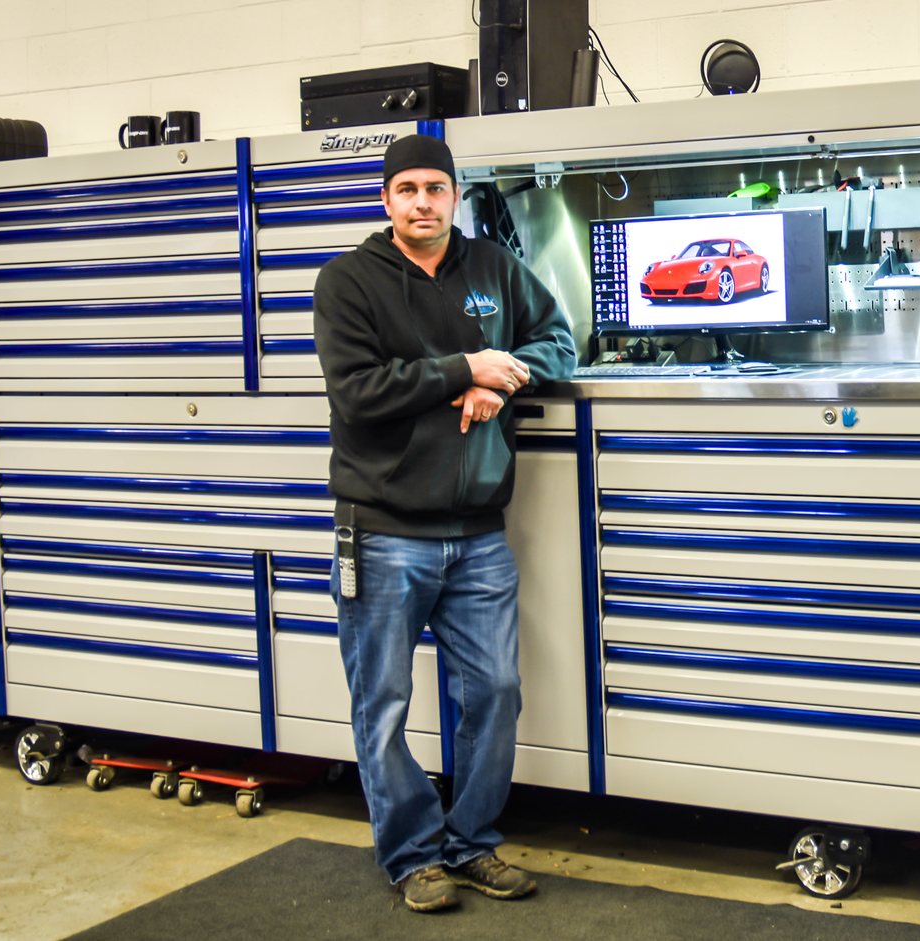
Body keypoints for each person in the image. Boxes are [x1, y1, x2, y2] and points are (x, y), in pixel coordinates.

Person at [312, 134, 576, 913]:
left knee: (496, 690)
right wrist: (468, 367)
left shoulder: (492, 266)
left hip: (478, 535)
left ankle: (471, 843)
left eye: (436, 188)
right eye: (407, 189)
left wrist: (507, 377)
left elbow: (556, 341)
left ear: (455, 195)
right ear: (385, 199)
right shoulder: (348, 280)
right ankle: (411, 855)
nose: (423, 202)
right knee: (383, 703)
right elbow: (357, 391)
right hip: (383, 529)